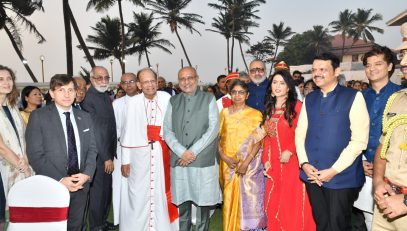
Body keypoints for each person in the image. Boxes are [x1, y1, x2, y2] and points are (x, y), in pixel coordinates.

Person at [295, 53, 369, 231]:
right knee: (322, 223)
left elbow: (359, 141)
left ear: (336, 71)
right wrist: (304, 163)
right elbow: (300, 133)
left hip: (342, 176)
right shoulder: (310, 98)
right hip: (312, 174)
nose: (317, 73)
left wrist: (333, 170)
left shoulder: (353, 96)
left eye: (322, 69)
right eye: (314, 70)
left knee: (338, 225)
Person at [26, 74, 97, 230]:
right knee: (52, 226)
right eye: (61, 90)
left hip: (80, 184)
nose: (67, 94)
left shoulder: (84, 117)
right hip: (52, 184)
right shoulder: (38, 117)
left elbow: (92, 149)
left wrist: (87, 174)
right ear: (52, 94)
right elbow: (35, 154)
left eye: (70, 90)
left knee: (75, 226)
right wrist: (60, 179)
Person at [119, 68, 178, 230]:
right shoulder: (132, 103)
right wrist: (125, 161)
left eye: (152, 81)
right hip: (138, 156)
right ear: (139, 84)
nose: (150, 85)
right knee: (138, 193)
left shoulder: (167, 98)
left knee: (161, 191)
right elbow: (127, 133)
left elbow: (173, 126)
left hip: (161, 153)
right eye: (145, 82)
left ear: (157, 81)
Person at [164, 67, 221, 231]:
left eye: (190, 78)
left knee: (203, 201)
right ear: (178, 82)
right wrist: (182, 152)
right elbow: (167, 130)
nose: (186, 82)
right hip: (180, 159)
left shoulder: (209, 98)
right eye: (182, 79)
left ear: (197, 79)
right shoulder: (173, 101)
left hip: (203, 159)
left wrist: (192, 152)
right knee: (183, 200)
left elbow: (213, 129)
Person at [353, 45, 401, 231]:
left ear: (389, 66)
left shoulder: (401, 95)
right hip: (364, 168)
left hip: (394, 172)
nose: (372, 68)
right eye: (368, 65)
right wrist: (359, 162)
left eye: (378, 64)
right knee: (370, 218)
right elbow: (350, 133)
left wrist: (383, 167)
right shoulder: (359, 97)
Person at [260, 70, 315, 230]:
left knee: (291, 204)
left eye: (282, 83)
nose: (277, 86)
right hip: (274, 165)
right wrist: (266, 160)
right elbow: (267, 138)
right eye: (274, 82)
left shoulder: (297, 107)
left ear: (289, 87)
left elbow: (305, 133)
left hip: (292, 163)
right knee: (274, 203)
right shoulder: (269, 108)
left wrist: (291, 150)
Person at [372, 22, 407, 230]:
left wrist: (405, 201)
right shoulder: (397, 99)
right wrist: (377, 181)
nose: (403, 61)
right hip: (386, 202)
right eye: (402, 54)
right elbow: (383, 146)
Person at [218, 79, 266, 231]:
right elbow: (218, 139)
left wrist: (245, 163)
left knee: (250, 203)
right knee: (229, 200)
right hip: (227, 165)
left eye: (241, 92)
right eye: (234, 92)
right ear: (230, 94)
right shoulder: (224, 113)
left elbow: (258, 142)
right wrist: (224, 157)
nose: (237, 95)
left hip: (249, 166)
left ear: (247, 95)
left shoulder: (255, 114)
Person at [81, 66, 117, 231]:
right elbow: (96, 131)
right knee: (98, 193)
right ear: (91, 78)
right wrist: (106, 157)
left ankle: (102, 221)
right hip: (100, 156)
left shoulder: (103, 95)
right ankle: (96, 226)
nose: (103, 81)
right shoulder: (90, 98)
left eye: (106, 77)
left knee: (105, 192)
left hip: (107, 153)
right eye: (99, 78)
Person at [0, 65, 33, 229]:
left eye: (9, 78)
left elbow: (24, 136)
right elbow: (1, 147)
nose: (6, 82)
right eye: (0, 79)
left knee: (23, 212)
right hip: (3, 169)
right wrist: (22, 166)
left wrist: (25, 160)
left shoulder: (13, 107)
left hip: (21, 164)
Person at [110, 73, 138, 229]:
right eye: (125, 83)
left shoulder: (146, 101)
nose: (128, 85)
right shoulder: (117, 103)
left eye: (131, 82)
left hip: (142, 150)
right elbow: (114, 130)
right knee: (121, 185)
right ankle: (121, 219)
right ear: (121, 85)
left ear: (138, 83)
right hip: (121, 150)